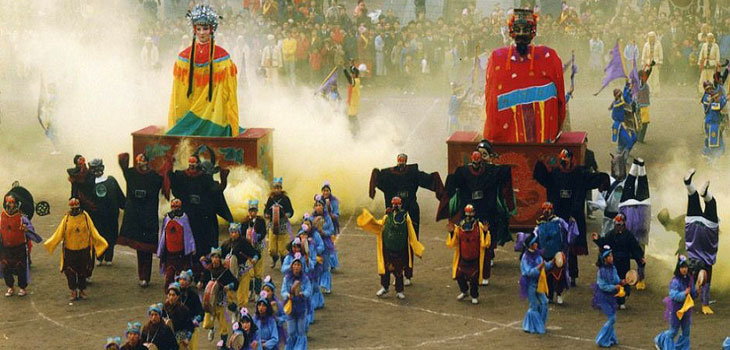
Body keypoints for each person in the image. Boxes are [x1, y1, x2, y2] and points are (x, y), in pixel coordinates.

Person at [484, 8, 566, 143]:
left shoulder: (549, 57)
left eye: (525, 30)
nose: (521, 34)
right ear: (511, 31)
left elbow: (560, 100)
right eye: (518, 29)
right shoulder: (497, 58)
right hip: (508, 144)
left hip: (543, 143)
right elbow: (490, 100)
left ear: (533, 31)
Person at [442, 141, 516, 285]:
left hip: (488, 209)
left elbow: (505, 175)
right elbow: (452, 182)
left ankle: (487, 262)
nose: (481, 158)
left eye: (484, 155)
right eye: (479, 155)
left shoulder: (493, 171)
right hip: (470, 209)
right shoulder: (464, 172)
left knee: (488, 235)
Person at [534, 148, 610, 286]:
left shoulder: (579, 173)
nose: (564, 160)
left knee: (572, 246)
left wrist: (603, 179)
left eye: (566, 158)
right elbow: (544, 177)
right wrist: (540, 163)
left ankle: (573, 275)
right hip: (558, 215)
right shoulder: (555, 173)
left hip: (573, 216)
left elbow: (592, 178)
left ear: (571, 158)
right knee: (557, 246)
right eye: (562, 158)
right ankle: (557, 275)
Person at [370, 153, 444, 285]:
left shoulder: (413, 173)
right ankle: (395, 274)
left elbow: (429, 180)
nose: (401, 163)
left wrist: (439, 188)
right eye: (399, 161)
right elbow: (377, 177)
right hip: (392, 215)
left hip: (410, 212)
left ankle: (407, 274)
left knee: (410, 241)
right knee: (391, 243)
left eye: (403, 161)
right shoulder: (388, 175)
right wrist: (374, 179)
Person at [167, 3, 240, 137]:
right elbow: (179, 93)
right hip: (191, 105)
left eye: (205, 28)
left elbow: (228, 92)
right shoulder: (183, 57)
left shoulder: (222, 57)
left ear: (212, 29)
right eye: (198, 28)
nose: (202, 33)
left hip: (213, 111)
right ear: (194, 30)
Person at [170, 153, 233, 272]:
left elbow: (216, 192)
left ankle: (205, 272)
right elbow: (176, 190)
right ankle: (191, 271)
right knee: (189, 245)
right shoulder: (182, 176)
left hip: (205, 220)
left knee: (205, 247)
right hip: (189, 218)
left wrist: (223, 180)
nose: (192, 165)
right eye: (190, 163)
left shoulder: (206, 179)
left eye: (194, 163)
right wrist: (169, 170)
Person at [357, 196, 425, 299]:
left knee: (398, 271)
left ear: (401, 204)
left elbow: (411, 232)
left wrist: (416, 248)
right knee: (386, 269)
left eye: (397, 204)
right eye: (394, 204)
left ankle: (399, 290)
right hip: (388, 248)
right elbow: (380, 225)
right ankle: (385, 287)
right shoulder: (387, 217)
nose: (395, 206)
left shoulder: (405, 217)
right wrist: (369, 221)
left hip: (400, 249)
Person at [44, 198, 108, 301]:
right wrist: (50, 243)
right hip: (70, 250)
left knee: (83, 271)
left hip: (84, 249)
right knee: (70, 272)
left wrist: (101, 242)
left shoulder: (86, 217)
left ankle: (82, 290)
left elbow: (93, 231)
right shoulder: (67, 218)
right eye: (72, 208)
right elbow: (59, 233)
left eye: (76, 208)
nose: (74, 210)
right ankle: (73, 291)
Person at [117, 153, 165, 288]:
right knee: (140, 248)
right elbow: (123, 163)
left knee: (147, 249)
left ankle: (147, 277)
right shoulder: (131, 174)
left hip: (148, 217)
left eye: (142, 159)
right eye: (138, 159)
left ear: (147, 162)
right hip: (136, 217)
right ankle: (142, 277)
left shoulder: (154, 177)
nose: (139, 162)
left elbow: (163, 182)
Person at [683, 169, 718, 315]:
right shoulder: (691, 265)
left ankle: (705, 194)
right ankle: (689, 184)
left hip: (707, 233)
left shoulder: (696, 268)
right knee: (693, 199)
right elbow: (704, 283)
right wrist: (704, 305)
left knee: (711, 204)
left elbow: (702, 284)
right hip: (693, 228)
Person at [592, 213, 645, 309]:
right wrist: (597, 239)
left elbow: (635, 249)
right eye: (617, 225)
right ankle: (610, 300)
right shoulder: (611, 234)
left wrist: (640, 259)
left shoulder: (629, 236)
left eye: (620, 225)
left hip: (624, 263)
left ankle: (621, 301)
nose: (619, 227)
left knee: (624, 281)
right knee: (612, 281)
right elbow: (604, 243)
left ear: (624, 224)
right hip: (613, 262)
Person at [445, 204, 490, 305]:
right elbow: (453, 243)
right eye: (467, 213)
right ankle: (464, 291)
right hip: (463, 257)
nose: (469, 215)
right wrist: (451, 233)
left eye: (471, 212)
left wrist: (486, 233)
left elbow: (485, 243)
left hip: (475, 257)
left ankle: (474, 295)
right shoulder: (460, 226)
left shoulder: (479, 226)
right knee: (459, 275)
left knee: (474, 278)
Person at [534, 201, 578, 304]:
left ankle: (559, 294)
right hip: (545, 254)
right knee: (546, 276)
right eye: (544, 209)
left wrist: (572, 225)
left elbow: (569, 233)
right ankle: (548, 295)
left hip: (557, 252)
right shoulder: (539, 224)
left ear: (552, 210)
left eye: (548, 209)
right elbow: (535, 237)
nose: (546, 211)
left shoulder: (559, 222)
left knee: (558, 276)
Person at [618, 158, 651, 290]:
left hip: (631, 209)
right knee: (641, 187)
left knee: (630, 185)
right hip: (639, 210)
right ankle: (640, 165)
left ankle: (638, 165)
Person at [1, 194, 42, 297]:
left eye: (11, 202)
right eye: (7, 202)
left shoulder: (22, 218)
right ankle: (10, 287)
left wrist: (27, 229)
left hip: (19, 247)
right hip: (6, 248)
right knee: (6, 266)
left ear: (16, 204)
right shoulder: (2, 216)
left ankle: (22, 287)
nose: (9, 204)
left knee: (21, 267)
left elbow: (31, 229)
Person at [654, 255, 697, 350]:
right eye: (682, 267)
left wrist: (696, 292)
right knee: (673, 332)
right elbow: (674, 296)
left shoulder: (690, 279)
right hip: (676, 310)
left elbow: (692, 294)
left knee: (686, 331)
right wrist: (684, 293)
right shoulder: (675, 281)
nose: (684, 269)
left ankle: (682, 348)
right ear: (678, 268)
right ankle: (660, 339)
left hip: (686, 310)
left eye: (685, 267)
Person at [157, 198, 196, 291]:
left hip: (180, 252)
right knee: (169, 272)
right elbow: (163, 233)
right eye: (173, 206)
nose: (175, 209)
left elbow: (188, 233)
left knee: (181, 272)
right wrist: (161, 248)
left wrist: (191, 247)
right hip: (169, 251)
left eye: (177, 206)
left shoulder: (184, 217)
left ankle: (181, 289)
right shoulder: (167, 217)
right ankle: (169, 290)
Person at [592, 246, 626, 348]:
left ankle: (611, 337)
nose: (612, 257)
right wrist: (614, 287)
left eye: (612, 255)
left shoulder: (613, 268)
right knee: (612, 319)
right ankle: (601, 339)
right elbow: (602, 286)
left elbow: (616, 280)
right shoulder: (601, 272)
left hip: (611, 297)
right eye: (609, 256)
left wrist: (621, 282)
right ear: (605, 258)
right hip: (603, 297)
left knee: (612, 318)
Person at [221, 222, 260, 308]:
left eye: (235, 232)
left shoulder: (244, 242)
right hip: (230, 273)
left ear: (239, 232)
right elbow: (220, 255)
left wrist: (254, 259)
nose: (234, 234)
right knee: (229, 297)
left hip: (243, 271)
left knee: (242, 296)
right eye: (232, 232)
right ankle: (235, 311)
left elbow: (255, 253)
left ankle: (242, 312)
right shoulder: (226, 244)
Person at [519, 233, 551, 334]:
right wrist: (538, 267)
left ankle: (540, 324)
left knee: (545, 302)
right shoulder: (525, 258)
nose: (537, 244)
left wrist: (553, 262)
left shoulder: (537, 254)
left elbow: (544, 266)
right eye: (535, 243)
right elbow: (527, 272)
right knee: (534, 305)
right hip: (530, 284)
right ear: (531, 245)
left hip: (539, 283)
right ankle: (532, 327)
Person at [281, 254, 311, 350]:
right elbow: (283, 291)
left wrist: (302, 294)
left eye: (298, 265)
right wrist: (287, 295)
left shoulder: (305, 279)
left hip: (301, 307)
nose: (296, 267)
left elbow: (309, 291)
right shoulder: (287, 278)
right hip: (290, 307)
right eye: (295, 264)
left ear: (301, 267)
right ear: (291, 266)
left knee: (301, 331)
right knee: (291, 331)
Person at [264, 177, 294, 269]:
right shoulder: (271, 199)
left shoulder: (285, 199)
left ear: (281, 188)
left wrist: (287, 215)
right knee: (272, 248)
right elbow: (266, 211)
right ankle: (274, 258)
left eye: (279, 188)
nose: (277, 189)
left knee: (283, 248)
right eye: (275, 188)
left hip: (282, 225)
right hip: (272, 225)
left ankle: (283, 263)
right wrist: (267, 215)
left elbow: (291, 211)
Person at [242, 199, 267, 298]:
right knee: (249, 272)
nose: (252, 213)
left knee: (258, 272)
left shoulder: (261, 221)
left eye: (254, 211)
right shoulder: (245, 222)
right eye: (251, 210)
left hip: (258, 248)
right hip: (248, 250)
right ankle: (249, 290)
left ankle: (257, 292)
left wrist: (258, 236)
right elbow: (242, 234)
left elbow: (264, 232)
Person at [311, 195, 335, 294]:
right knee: (315, 266)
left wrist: (324, 233)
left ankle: (326, 285)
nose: (318, 207)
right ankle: (315, 285)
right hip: (315, 245)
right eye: (317, 205)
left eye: (320, 205)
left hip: (325, 244)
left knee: (325, 265)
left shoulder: (327, 218)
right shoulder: (311, 218)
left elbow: (332, 230)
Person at [177, 270, 204, 350]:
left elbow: (201, 311)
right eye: (180, 279)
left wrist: (197, 318)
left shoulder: (193, 295)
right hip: (179, 328)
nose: (182, 282)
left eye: (184, 280)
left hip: (192, 325)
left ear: (189, 282)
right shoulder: (176, 294)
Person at [163, 282, 194, 349]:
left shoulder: (184, 309)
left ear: (178, 296)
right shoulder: (164, 307)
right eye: (169, 295)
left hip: (180, 337)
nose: (171, 297)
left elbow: (190, 326)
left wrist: (187, 338)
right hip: (167, 338)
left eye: (173, 295)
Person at [701, 81, 727, 160]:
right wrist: (725, 98)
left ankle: (710, 158)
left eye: (712, 88)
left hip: (715, 123)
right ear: (705, 90)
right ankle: (713, 163)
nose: (711, 90)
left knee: (717, 144)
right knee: (714, 145)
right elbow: (718, 106)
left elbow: (720, 92)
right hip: (712, 124)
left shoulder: (712, 95)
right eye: (708, 89)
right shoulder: (707, 98)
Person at [320, 182, 341, 270]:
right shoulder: (320, 200)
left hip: (331, 225)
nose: (325, 192)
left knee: (330, 245)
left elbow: (337, 213)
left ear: (330, 191)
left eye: (327, 190)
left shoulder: (334, 201)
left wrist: (333, 215)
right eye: (324, 191)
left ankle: (332, 264)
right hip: (322, 225)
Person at [636, 64, 654, 143]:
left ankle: (637, 137)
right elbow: (647, 74)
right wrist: (650, 68)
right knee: (644, 123)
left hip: (638, 105)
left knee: (639, 122)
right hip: (643, 107)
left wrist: (650, 67)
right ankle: (640, 138)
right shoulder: (641, 83)